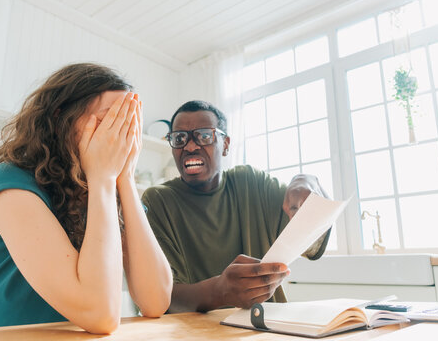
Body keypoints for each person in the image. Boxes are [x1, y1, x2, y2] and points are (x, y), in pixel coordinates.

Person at [0, 63, 172, 333]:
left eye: (127, 126)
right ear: (61, 118)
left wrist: (126, 178)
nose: (118, 136)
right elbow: (100, 314)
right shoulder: (10, 184)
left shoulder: (100, 190)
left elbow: (155, 301)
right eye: (109, 120)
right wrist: (104, 179)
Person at [141, 100, 330, 313]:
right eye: (179, 138)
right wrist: (218, 292)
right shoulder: (157, 201)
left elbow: (312, 243)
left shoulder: (251, 183)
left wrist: (307, 181)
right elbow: (158, 297)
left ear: (226, 145)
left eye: (204, 136)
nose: (190, 146)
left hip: (266, 328)